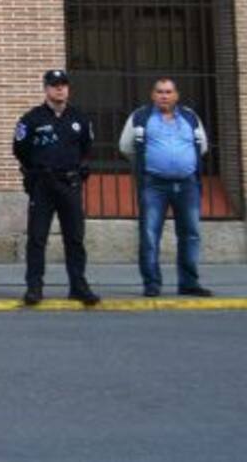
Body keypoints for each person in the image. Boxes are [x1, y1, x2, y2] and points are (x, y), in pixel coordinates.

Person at [119, 77, 212, 298]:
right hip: (154, 185)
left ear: (176, 95)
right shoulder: (141, 117)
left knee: (190, 234)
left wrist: (182, 163)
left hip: (187, 184)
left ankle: (188, 282)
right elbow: (126, 147)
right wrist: (151, 163)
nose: (164, 96)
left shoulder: (190, 117)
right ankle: (152, 283)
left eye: (169, 92)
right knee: (150, 234)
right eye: (160, 92)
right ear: (153, 95)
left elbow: (203, 146)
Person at [14, 69, 100, 306]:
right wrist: (35, 171)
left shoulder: (79, 118)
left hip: (69, 183)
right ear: (46, 89)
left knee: (74, 238)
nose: (60, 89)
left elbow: (86, 147)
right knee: (37, 238)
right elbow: (20, 149)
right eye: (54, 85)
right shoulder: (32, 119)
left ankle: (78, 286)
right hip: (42, 184)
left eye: (63, 84)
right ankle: (34, 287)